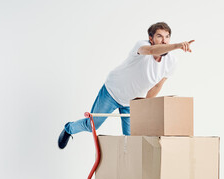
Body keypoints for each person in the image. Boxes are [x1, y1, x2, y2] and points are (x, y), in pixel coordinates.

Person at [58, 22, 194, 149]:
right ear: (151, 38)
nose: (164, 40)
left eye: (167, 37)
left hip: (131, 101)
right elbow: (153, 51)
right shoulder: (141, 46)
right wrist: (177, 46)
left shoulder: (171, 62)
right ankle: (69, 128)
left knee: (131, 141)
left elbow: (157, 86)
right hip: (112, 92)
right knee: (92, 125)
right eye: (159, 36)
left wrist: (143, 106)